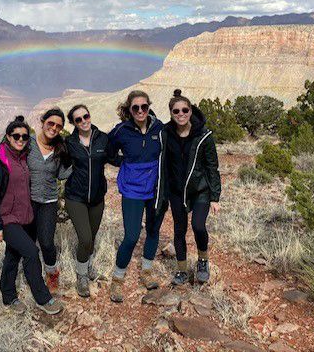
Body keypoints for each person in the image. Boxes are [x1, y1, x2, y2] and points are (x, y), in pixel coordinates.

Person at [0, 116, 63, 315]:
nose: (20, 139)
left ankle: (8, 295)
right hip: (6, 219)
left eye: (25, 136)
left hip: (24, 217)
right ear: (8, 137)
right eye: (16, 136)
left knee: (13, 255)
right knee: (30, 252)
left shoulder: (23, 156)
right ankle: (43, 298)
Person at [107, 90, 169, 303]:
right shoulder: (121, 131)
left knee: (153, 230)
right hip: (132, 189)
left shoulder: (160, 129)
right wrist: (122, 162)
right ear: (129, 109)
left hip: (156, 189)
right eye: (136, 107)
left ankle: (147, 270)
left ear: (149, 106)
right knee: (132, 236)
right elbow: (108, 151)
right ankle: (117, 278)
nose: (141, 111)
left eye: (144, 106)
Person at [165, 89, 221, 285]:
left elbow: (212, 167)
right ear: (171, 113)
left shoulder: (204, 136)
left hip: (200, 190)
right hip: (176, 191)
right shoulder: (166, 134)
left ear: (191, 111)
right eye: (176, 111)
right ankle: (181, 270)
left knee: (198, 225)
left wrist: (215, 197)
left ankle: (203, 260)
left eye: (185, 110)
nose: (181, 114)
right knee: (179, 230)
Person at [64, 104, 120, 297]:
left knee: (92, 239)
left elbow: (113, 158)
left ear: (90, 115)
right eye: (78, 119)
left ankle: (85, 266)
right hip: (75, 198)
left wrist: (137, 159)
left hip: (97, 198)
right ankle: (81, 276)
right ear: (73, 123)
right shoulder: (69, 143)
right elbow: (58, 164)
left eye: (85, 116)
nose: (84, 121)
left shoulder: (102, 138)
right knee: (85, 238)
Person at [28, 108, 71, 291]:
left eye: (58, 126)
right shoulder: (28, 143)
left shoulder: (59, 149)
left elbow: (62, 174)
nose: (54, 128)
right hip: (27, 201)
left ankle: (52, 273)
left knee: (46, 242)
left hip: (48, 202)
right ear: (43, 121)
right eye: (51, 123)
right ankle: (32, 276)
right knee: (29, 244)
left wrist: (79, 163)